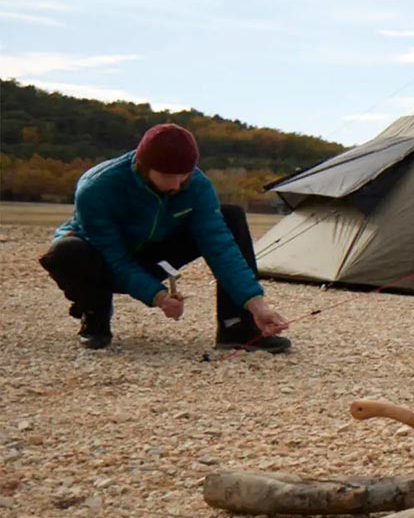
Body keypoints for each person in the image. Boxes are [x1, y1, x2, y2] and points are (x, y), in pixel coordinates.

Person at [39, 123, 292, 352]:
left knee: (231, 216)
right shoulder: (96, 188)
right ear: (143, 166)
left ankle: (237, 327)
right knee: (66, 252)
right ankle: (94, 316)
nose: (177, 185)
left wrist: (257, 305)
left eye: (185, 175)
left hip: (154, 253)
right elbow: (114, 258)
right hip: (102, 260)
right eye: (168, 176)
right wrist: (158, 296)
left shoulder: (197, 185)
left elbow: (220, 247)